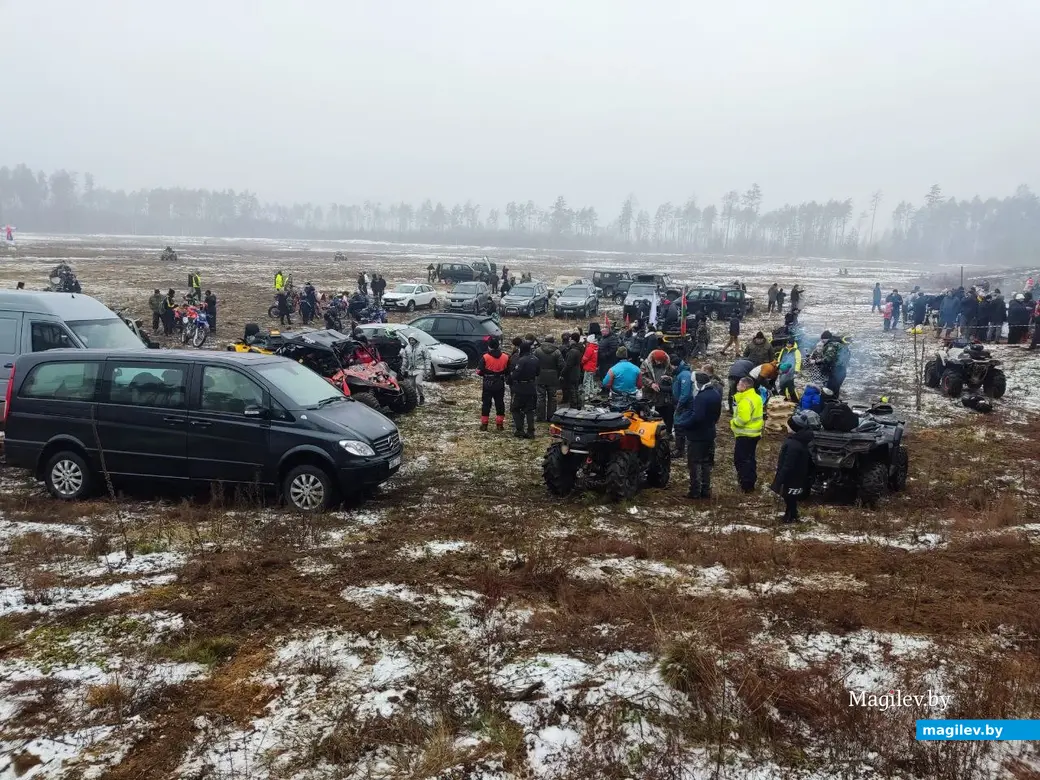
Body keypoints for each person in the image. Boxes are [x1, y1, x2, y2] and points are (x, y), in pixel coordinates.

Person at [674, 368, 722, 500]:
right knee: (706, 463)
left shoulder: (701, 397)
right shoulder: (715, 393)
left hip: (697, 436)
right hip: (709, 433)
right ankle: (705, 490)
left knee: (694, 464)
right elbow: (717, 415)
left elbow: (697, 417)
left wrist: (683, 424)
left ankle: (695, 491)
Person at [771, 412, 814, 524]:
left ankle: (790, 516)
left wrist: (779, 479)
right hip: (799, 476)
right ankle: (791, 513)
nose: (787, 427)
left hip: (792, 476)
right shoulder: (801, 441)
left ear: (795, 428)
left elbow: (788, 464)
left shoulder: (793, 445)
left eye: (789, 426)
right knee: (791, 497)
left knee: (789, 496)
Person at [731, 377, 764, 493]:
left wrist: (733, 422)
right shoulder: (757, 397)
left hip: (745, 434)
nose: (737, 386)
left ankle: (746, 484)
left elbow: (743, 419)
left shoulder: (745, 401)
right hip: (754, 434)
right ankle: (750, 481)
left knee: (741, 460)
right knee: (750, 458)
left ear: (745, 387)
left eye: (739, 384)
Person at [509, 341, 540, 438]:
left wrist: (510, 378)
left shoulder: (521, 360)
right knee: (530, 410)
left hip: (520, 388)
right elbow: (538, 373)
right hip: (531, 386)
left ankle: (520, 429)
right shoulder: (535, 359)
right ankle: (531, 431)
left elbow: (515, 375)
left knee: (515, 409)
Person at [640, 349, 673, 431]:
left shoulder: (668, 364)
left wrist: (669, 378)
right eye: (657, 361)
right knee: (649, 414)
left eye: (661, 361)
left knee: (665, 413)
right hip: (649, 393)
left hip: (662, 394)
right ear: (653, 359)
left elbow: (673, 375)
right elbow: (642, 377)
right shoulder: (645, 364)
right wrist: (651, 384)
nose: (659, 363)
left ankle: (666, 432)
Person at [534, 335, 565, 422]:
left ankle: (540, 417)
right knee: (552, 399)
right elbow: (561, 365)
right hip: (553, 378)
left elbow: (534, 362)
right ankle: (551, 417)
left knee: (540, 397)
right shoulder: (557, 352)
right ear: (553, 341)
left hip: (540, 376)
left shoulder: (538, 350)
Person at [403, 335, 430, 405]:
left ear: (416, 340)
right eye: (410, 340)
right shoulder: (407, 348)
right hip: (411, 370)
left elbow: (427, 358)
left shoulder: (422, 347)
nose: (411, 341)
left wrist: (427, 369)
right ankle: (414, 400)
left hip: (420, 368)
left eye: (413, 340)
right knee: (412, 386)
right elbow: (405, 359)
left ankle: (421, 396)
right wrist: (403, 368)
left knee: (418, 383)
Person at [776, 337, 802, 402]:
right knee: (782, 386)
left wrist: (796, 371)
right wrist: (779, 365)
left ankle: (795, 401)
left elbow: (798, 361)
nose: (788, 345)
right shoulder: (783, 349)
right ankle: (783, 400)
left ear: (792, 344)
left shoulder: (796, 351)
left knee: (790, 387)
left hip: (791, 371)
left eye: (789, 344)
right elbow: (780, 358)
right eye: (787, 343)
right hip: (783, 370)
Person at [561, 332, 583, 409]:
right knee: (576, 390)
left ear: (572, 340)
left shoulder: (573, 351)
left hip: (572, 373)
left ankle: (574, 406)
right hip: (577, 372)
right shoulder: (579, 348)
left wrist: (562, 373)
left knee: (572, 391)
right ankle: (578, 404)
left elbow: (568, 364)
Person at [580, 334, 599, 407]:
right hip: (593, 367)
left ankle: (586, 395)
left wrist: (581, 362)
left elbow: (585, 358)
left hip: (588, 367)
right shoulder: (595, 348)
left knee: (586, 381)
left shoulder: (589, 348)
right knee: (591, 381)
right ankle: (591, 393)